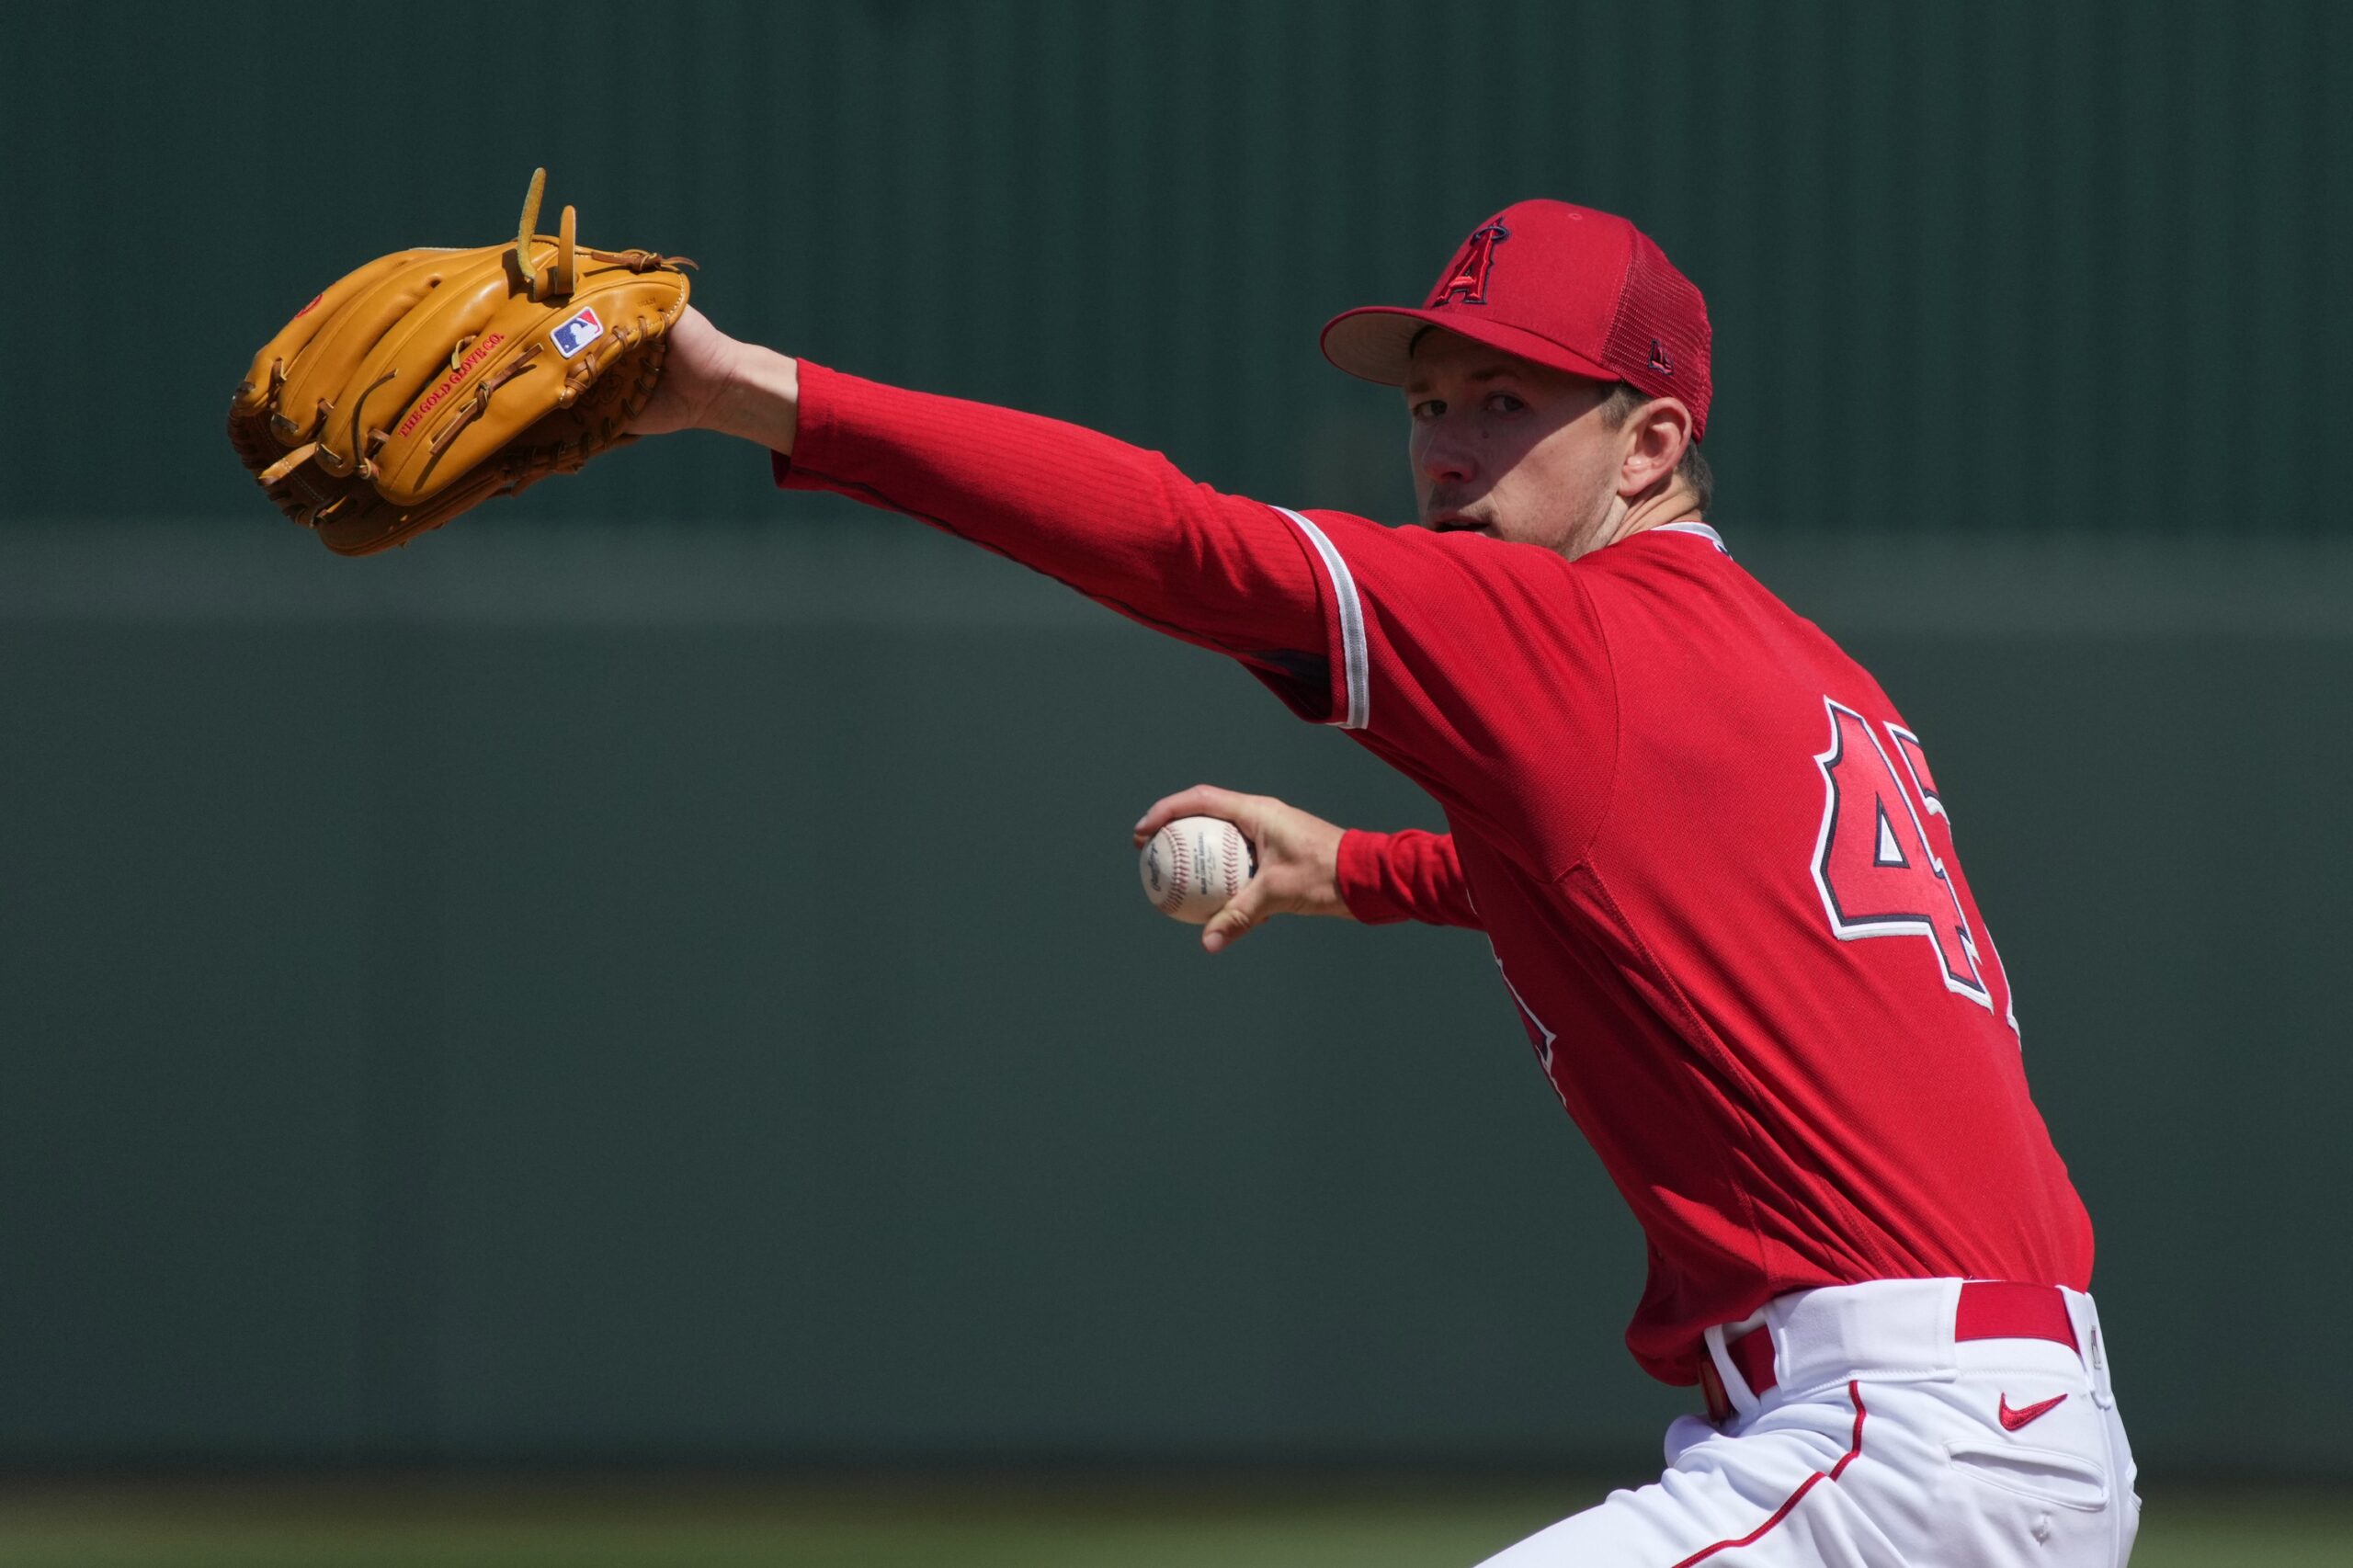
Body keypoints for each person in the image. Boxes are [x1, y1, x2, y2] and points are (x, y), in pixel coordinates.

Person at [631, 199, 2137, 1567]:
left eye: (1507, 400)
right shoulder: (1801, 667)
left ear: (1649, 444)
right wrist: (1354, 867)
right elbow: (1670, 907)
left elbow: (1181, 541)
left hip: (1904, 1449)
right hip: (2004, 1423)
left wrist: (742, 387)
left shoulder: (1566, 630)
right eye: (1429, 403)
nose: (1447, 447)